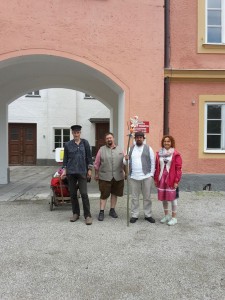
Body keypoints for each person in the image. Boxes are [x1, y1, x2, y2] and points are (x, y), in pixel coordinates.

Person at [61, 125, 93, 225]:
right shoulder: (67, 145)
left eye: (78, 132)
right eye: (74, 132)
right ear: (72, 133)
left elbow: (89, 157)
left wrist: (90, 170)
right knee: (73, 194)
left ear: (80, 133)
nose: (76, 134)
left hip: (82, 171)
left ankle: (87, 215)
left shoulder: (85, 143)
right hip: (71, 172)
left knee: (84, 194)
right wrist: (64, 170)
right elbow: (65, 159)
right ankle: (76, 213)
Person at [125, 131, 155, 224]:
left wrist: (151, 174)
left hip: (146, 176)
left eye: (140, 137)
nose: (139, 139)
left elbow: (152, 161)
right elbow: (125, 162)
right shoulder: (130, 149)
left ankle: (148, 214)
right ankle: (134, 215)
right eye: (137, 137)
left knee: (147, 197)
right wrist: (125, 158)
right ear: (135, 139)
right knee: (134, 197)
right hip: (134, 177)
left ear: (143, 138)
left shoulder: (148, 148)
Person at [94, 132, 125, 221]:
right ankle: (101, 212)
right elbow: (96, 163)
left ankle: (112, 210)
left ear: (113, 138)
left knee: (114, 193)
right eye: (107, 138)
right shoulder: (101, 150)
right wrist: (96, 174)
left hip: (118, 176)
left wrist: (125, 172)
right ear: (105, 140)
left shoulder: (120, 149)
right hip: (104, 176)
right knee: (104, 195)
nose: (109, 139)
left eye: (110, 138)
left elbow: (124, 162)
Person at [154, 135, 182, 226]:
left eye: (168, 141)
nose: (166, 143)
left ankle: (174, 218)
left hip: (171, 179)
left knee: (173, 198)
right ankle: (166, 215)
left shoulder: (175, 154)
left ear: (171, 143)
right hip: (161, 178)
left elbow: (178, 168)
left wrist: (176, 181)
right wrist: (155, 179)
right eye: (165, 141)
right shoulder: (159, 154)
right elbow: (156, 167)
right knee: (164, 198)